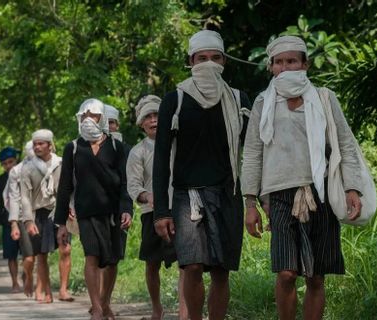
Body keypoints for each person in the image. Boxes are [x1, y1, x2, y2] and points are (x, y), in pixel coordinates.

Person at [241, 36, 363, 320]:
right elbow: (253, 153)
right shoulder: (263, 102)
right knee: (286, 273)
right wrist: (250, 202)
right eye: (279, 62)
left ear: (305, 64)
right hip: (279, 196)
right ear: (271, 67)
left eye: (292, 61)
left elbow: (345, 143)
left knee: (316, 276)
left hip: (321, 192)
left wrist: (352, 188)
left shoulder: (323, 97)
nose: (286, 67)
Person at [152, 30, 251, 320]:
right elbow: (160, 158)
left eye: (215, 58)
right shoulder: (175, 99)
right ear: (191, 61)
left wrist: (257, 199)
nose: (209, 63)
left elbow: (255, 151)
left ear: (224, 61)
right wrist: (161, 210)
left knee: (221, 271)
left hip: (227, 194)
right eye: (202, 58)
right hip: (187, 197)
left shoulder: (237, 99)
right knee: (192, 266)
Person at [55, 98, 132, 320]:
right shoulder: (74, 147)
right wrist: (61, 223)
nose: (89, 119)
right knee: (92, 256)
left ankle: (106, 302)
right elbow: (65, 185)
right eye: (85, 115)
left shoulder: (117, 147)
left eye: (94, 115)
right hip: (86, 212)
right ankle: (96, 307)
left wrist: (127, 208)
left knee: (113, 259)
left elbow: (126, 182)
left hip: (114, 212)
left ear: (103, 118)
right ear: (79, 118)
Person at [126, 95, 188, 320]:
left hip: (181, 209)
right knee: (152, 264)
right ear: (141, 123)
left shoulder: (178, 144)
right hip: (151, 214)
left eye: (157, 116)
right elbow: (133, 186)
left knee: (186, 263)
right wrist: (148, 196)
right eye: (148, 117)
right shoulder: (138, 151)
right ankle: (156, 308)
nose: (153, 120)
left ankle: (184, 312)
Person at [21, 129, 62, 304]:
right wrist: (29, 221)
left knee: (65, 250)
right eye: (35, 143)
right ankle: (48, 293)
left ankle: (63, 289)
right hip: (39, 214)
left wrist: (70, 210)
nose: (37, 147)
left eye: (41, 143)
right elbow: (24, 196)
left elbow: (67, 189)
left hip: (58, 212)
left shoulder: (60, 163)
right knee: (42, 255)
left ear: (50, 145)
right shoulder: (28, 168)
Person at [6, 141, 41, 298]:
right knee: (29, 256)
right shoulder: (16, 171)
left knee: (42, 254)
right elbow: (11, 198)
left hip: (43, 214)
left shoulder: (50, 165)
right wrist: (14, 223)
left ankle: (41, 288)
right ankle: (28, 276)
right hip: (23, 217)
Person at [0, 146, 21, 293]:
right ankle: (15, 282)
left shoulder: (26, 175)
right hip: (8, 222)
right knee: (11, 255)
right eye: (5, 163)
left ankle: (27, 277)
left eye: (11, 162)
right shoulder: (0, 181)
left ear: (16, 160)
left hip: (26, 220)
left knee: (29, 255)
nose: (9, 166)